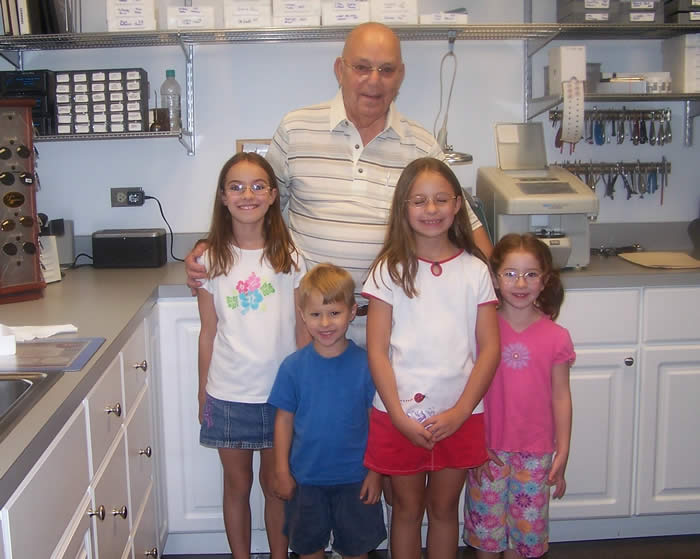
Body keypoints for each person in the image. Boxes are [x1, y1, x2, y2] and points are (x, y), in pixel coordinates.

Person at [185, 22, 493, 346]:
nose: (374, 80)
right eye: (362, 67)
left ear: (400, 76)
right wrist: (211, 246)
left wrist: (498, 283)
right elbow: (255, 205)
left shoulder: (421, 145)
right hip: (312, 326)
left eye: (386, 70)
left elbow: (465, 225)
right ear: (339, 70)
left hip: (394, 326)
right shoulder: (296, 129)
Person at [362, 157, 501, 559]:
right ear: (403, 207)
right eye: (419, 200)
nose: (431, 209)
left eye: (441, 199)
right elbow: (377, 351)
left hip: (460, 414)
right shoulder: (388, 269)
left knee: (444, 510)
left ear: (458, 205)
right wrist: (398, 416)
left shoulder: (476, 270)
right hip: (399, 414)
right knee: (406, 510)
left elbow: (490, 349)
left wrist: (460, 412)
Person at [196, 152, 309, 559]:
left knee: (277, 486)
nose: (248, 195)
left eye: (259, 186)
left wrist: (306, 389)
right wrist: (202, 392)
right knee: (236, 486)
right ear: (223, 197)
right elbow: (208, 332)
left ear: (274, 195)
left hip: (281, 397)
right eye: (237, 187)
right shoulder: (209, 260)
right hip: (228, 394)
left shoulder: (289, 256)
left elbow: (302, 329)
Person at [463, 233, 575, 559]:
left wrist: (563, 450)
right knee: (486, 537)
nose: (521, 283)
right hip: (488, 449)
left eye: (531, 274)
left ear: (545, 280)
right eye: (510, 273)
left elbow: (561, 397)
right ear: (495, 278)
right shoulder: (482, 330)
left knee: (524, 539)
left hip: (536, 454)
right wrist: (474, 442)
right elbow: (467, 390)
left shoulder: (556, 337)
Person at [268, 262, 387, 559]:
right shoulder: (293, 368)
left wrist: (376, 472)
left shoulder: (366, 365)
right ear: (302, 315)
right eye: (315, 314)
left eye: (334, 313)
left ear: (352, 312)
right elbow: (283, 421)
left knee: (357, 549)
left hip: (356, 479)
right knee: (308, 548)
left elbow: (376, 422)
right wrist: (281, 470)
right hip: (306, 479)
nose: (325, 323)